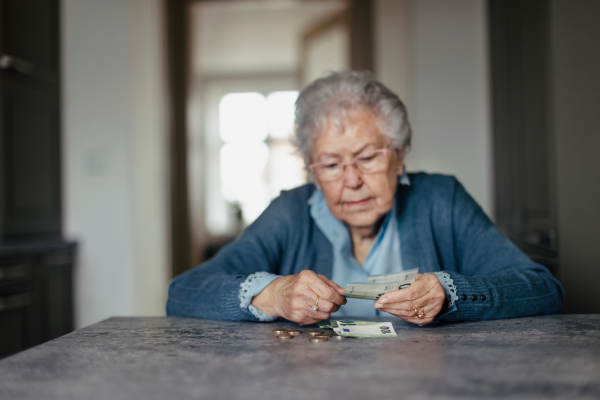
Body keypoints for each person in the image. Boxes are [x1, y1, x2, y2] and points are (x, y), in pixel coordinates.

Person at [166, 71, 563, 326]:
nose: (351, 181)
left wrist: (450, 293)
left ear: (399, 155)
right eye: (331, 164)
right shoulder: (290, 212)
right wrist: (274, 295)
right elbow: (182, 292)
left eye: (368, 157)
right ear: (311, 169)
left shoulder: (442, 200)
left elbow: (543, 288)